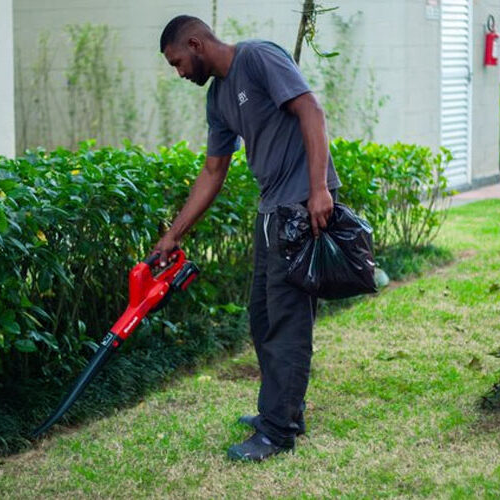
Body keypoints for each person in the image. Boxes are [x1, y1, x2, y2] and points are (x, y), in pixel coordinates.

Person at [152, 15, 342, 462]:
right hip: (271, 210)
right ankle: (284, 412)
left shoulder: (257, 57)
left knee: (288, 319)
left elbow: (311, 110)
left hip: (300, 203)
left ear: (195, 44)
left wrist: (318, 189)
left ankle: (277, 432)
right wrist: (173, 236)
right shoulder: (218, 97)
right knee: (262, 314)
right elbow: (214, 170)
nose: (179, 74)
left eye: (178, 62)